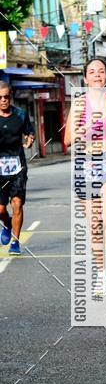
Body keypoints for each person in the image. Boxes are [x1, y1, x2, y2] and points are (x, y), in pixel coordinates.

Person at [64, 57, 106, 296]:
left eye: (101, 71)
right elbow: (67, 140)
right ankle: (100, 274)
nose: (96, 75)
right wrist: (81, 131)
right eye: (92, 71)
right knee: (95, 224)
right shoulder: (79, 105)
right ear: (85, 78)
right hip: (86, 165)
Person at [0, 81, 35, 255]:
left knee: (17, 204)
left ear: (11, 96)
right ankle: (6, 224)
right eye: (0, 98)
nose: (4, 100)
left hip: (17, 167)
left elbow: (29, 132)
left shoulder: (20, 114)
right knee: (0, 210)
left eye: (6, 97)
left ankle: (15, 241)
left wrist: (30, 139)